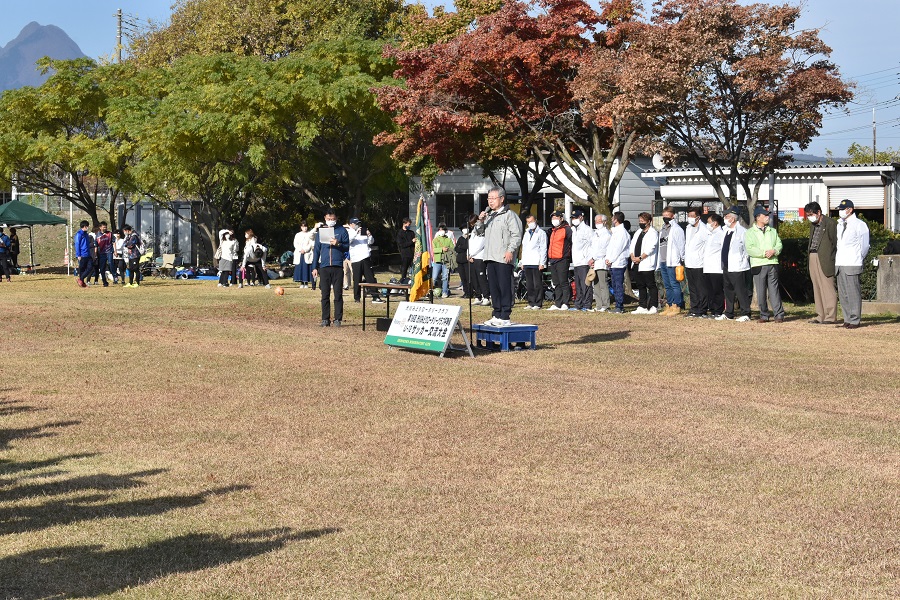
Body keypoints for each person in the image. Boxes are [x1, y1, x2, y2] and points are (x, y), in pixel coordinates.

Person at [475, 186, 523, 326]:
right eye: (489, 198)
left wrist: (510, 250)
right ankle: (496, 314)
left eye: (493, 198)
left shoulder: (509, 215)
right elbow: (479, 232)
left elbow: (516, 235)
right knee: (494, 287)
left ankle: (505, 315)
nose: (490, 202)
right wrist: (481, 220)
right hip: (490, 256)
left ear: (501, 199)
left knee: (504, 286)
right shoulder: (489, 216)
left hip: (503, 257)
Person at [834, 199, 870, 329]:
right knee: (843, 293)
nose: (840, 212)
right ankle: (847, 318)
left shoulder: (859, 224)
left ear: (850, 210)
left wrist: (858, 257)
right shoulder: (839, 224)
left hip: (852, 262)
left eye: (843, 209)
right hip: (840, 262)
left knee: (853, 292)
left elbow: (865, 245)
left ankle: (855, 319)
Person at [745, 206, 785, 323]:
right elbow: (750, 248)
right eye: (765, 215)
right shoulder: (750, 232)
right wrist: (764, 253)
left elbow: (779, 244)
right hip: (758, 264)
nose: (768, 217)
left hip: (772, 263)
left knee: (774, 290)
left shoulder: (772, 231)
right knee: (761, 291)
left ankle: (779, 315)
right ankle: (764, 315)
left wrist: (774, 251)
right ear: (758, 217)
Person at [312, 210, 350, 327]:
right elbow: (317, 250)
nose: (330, 221)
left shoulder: (342, 230)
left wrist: (338, 243)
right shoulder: (321, 232)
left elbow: (347, 247)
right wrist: (315, 267)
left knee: (338, 294)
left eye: (332, 219)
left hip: (338, 266)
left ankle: (338, 319)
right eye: (328, 219)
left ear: (336, 218)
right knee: (325, 294)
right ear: (325, 218)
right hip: (324, 267)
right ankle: (325, 319)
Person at [804, 201, 838, 324]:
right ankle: (820, 315)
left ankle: (830, 316)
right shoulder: (813, 225)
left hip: (825, 258)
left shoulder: (830, 223)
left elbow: (835, 243)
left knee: (827, 287)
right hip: (813, 256)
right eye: (807, 215)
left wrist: (832, 258)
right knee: (816, 286)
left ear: (819, 212)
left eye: (811, 214)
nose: (809, 217)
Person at [718, 208, 751, 322]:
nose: (724, 219)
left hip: (738, 266)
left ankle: (745, 313)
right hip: (726, 265)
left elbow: (747, 250)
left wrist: (743, 260)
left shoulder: (742, 231)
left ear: (733, 218)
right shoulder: (725, 230)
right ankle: (729, 313)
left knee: (740, 290)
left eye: (726, 217)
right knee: (728, 290)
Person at [629, 212, 660, 314]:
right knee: (640, 285)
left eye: (643, 221)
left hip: (646, 263)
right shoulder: (638, 232)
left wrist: (640, 258)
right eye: (640, 221)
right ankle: (642, 305)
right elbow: (632, 245)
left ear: (649, 222)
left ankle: (654, 305)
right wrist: (632, 256)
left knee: (650, 285)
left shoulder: (653, 233)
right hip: (636, 263)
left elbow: (651, 248)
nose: (641, 223)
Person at [658, 206, 686, 316]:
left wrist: (682, 259)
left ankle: (677, 305)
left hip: (673, 261)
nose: (665, 217)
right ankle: (669, 305)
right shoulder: (662, 229)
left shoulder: (677, 229)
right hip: (663, 260)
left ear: (672, 216)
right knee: (667, 285)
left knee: (674, 284)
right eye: (663, 215)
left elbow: (681, 245)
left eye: (667, 216)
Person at [348, 218, 383, 304]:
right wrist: (356, 233)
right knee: (357, 279)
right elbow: (348, 240)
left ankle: (375, 296)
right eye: (356, 224)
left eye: (359, 224)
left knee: (370, 278)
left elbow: (371, 242)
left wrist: (369, 235)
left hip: (366, 257)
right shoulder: (349, 232)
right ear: (351, 224)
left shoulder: (363, 232)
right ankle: (357, 297)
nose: (358, 226)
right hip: (356, 259)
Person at [683, 207, 709, 318]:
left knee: (701, 288)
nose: (690, 218)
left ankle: (702, 309)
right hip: (689, 262)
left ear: (698, 217)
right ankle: (694, 308)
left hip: (699, 263)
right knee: (692, 288)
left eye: (692, 216)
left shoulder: (704, 229)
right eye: (689, 216)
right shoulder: (688, 228)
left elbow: (708, 246)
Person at [605, 212, 631, 314]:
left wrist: (610, 259)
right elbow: (611, 247)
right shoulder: (615, 232)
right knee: (615, 284)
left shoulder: (622, 233)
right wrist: (608, 259)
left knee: (618, 284)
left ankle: (619, 306)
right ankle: (617, 304)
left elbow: (618, 249)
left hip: (618, 262)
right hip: (613, 262)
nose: (611, 219)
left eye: (613, 218)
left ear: (616, 219)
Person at [546, 210, 572, 311]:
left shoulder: (567, 229)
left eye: (556, 218)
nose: (554, 220)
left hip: (562, 259)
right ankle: (558, 303)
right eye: (553, 218)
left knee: (563, 282)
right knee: (556, 283)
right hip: (553, 259)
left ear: (561, 218)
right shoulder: (552, 230)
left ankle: (565, 302)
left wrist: (568, 256)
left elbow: (571, 242)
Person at [520, 212, 547, 310]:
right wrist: (522, 261)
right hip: (527, 261)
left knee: (537, 284)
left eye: (531, 221)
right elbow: (524, 248)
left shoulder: (541, 233)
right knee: (529, 284)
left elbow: (543, 248)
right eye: (528, 222)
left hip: (536, 261)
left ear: (535, 221)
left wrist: (542, 262)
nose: (529, 223)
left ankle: (538, 303)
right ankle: (531, 302)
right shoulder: (526, 233)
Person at [702, 214, 726, 318]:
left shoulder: (721, 234)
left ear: (715, 223)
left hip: (717, 268)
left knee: (717, 291)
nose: (707, 224)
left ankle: (718, 311)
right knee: (710, 291)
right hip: (708, 267)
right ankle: (712, 310)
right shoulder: (710, 235)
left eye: (708, 222)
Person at [570, 209, 594, 312]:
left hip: (584, 261)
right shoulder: (574, 230)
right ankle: (578, 304)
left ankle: (587, 304)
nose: (574, 220)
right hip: (576, 261)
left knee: (586, 284)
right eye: (573, 218)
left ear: (581, 217)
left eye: (575, 218)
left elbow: (593, 245)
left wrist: (591, 258)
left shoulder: (587, 230)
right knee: (578, 285)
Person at [589, 213, 611, 312]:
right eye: (596, 221)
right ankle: (598, 305)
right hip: (595, 263)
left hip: (602, 262)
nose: (597, 223)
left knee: (603, 284)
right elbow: (592, 248)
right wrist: (590, 259)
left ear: (604, 222)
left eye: (599, 221)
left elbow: (603, 249)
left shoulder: (606, 234)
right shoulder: (595, 233)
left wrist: (593, 258)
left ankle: (605, 305)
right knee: (596, 285)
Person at [467, 220, 490, 306]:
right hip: (471, 258)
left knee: (481, 278)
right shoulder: (473, 235)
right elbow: (469, 245)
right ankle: (478, 296)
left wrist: (470, 254)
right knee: (474, 278)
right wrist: (468, 255)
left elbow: (479, 247)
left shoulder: (483, 236)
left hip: (479, 258)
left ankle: (486, 297)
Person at [431, 222, 453, 298]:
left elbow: (452, 249)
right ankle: (432, 290)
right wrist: (441, 249)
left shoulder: (448, 239)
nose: (442, 231)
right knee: (434, 277)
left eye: (443, 230)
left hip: (446, 261)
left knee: (445, 277)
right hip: (437, 261)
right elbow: (433, 250)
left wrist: (448, 249)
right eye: (440, 230)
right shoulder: (435, 240)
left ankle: (444, 291)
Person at [455, 219, 475, 299]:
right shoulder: (460, 238)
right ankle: (465, 292)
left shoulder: (471, 237)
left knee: (468, 277)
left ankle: (470, 292)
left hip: (467, 260)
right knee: (463, 278)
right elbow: (456, 248)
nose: (464, 230)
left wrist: (461, 247)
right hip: (460, 260)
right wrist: (461, 248)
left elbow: (468, 247)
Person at [293, 222, 315, 288]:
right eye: (303, 226)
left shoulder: (310, 234)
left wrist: (305, 250)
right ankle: (301, 283)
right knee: (300, 268)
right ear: (301, 227)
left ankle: (306, 283)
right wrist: (300, 249)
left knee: (306, 268)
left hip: (307, 253)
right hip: (299, 253)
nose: (304, 228)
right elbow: (295, 243)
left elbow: (311, 244)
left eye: (305, 226)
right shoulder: (297, 235)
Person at [94, 222, 114, 287]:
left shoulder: (110, 234)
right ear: (100, 227)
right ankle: (104, 282)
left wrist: (115, 251)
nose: (105, 228)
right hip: (101, 253)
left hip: (109, 251)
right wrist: (95, 254)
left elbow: (113, 242)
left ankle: (115, 276)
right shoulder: (97, 235)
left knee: (111, 263)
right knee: (102, 268)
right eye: (103, 227)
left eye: (105, 227)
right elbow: (96, 245)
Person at [74, 220, 93, 287]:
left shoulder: (86, 234)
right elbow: (77, 244)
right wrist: (78, 254)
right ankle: (82, 282)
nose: (88, 227)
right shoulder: (79, 234)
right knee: (82, 269)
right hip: (82, 254)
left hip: (88, 253)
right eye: (87, 226)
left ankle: (81, 279)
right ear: (84, 226)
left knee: (90, 267)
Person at [397, 218, 416, 282]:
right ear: (404, 224)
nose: (409, 226)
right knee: (404, 269)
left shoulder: (411, 233)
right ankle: (403, 280)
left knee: (414, 269)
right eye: (408, 224)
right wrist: (411, 241)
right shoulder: (400, 233)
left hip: (412, 254)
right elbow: (402, 245)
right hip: (405, 254)